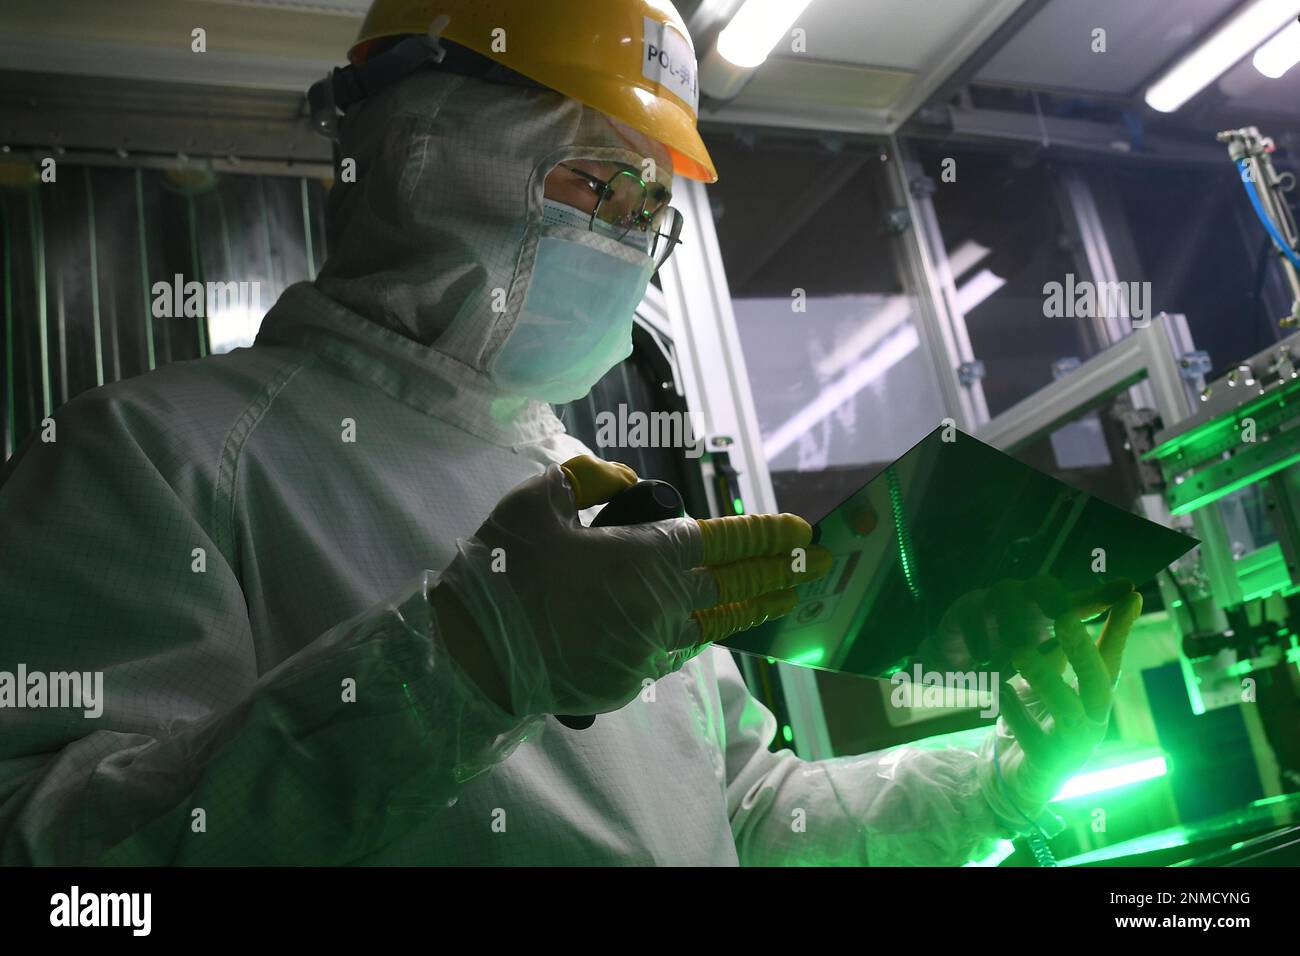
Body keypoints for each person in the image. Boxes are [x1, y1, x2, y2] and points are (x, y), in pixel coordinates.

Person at [0, 0, 1140, 865]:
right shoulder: (157, 454)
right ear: (417, 149)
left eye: (654, 211)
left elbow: (746, 814)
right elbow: (70, 863)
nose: (634, 241)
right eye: (599, 184)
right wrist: (464, 664)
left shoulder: (594, 503)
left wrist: (993, 779)